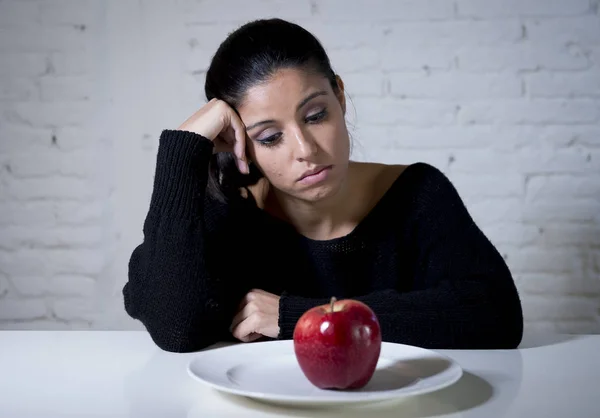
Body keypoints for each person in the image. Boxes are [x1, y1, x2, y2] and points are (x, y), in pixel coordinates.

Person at [123, 18, 523, 353]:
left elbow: (496, 316)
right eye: (269, 137)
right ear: (238, 143)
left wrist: (300, 317)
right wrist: (183, 149)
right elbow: (174, 327)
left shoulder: (416, 194)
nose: (306, 149)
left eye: (315, 115)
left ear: (340, 96)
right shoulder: (231, 211)